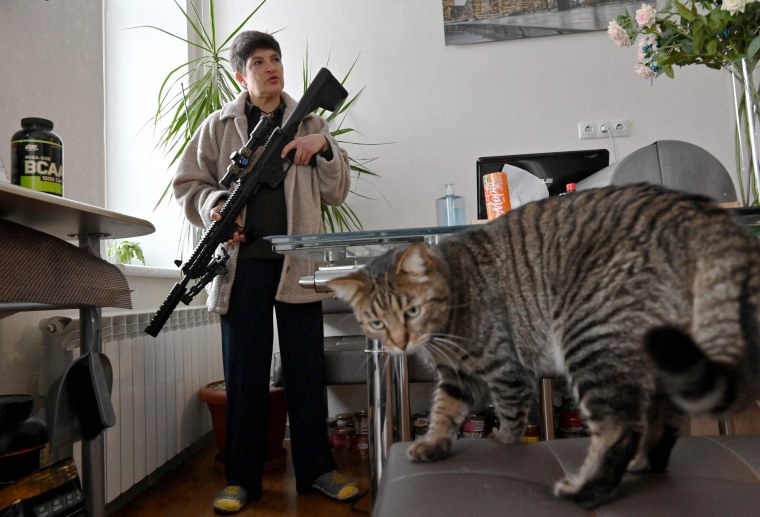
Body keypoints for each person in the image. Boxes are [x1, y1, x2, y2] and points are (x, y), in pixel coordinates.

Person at [173, 30, 358, 514]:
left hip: (298, 265)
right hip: (242, 268)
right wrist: (216, 205)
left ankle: (319, 471)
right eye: (258, 62)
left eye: (275, 59)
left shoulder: (311, 120)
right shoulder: (218, 127)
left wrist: (323, 145)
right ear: (241, 75)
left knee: (305, 373)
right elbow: (188, 185)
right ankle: (241, 479)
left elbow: (337, 191)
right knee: (245, 377)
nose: (271, 67)